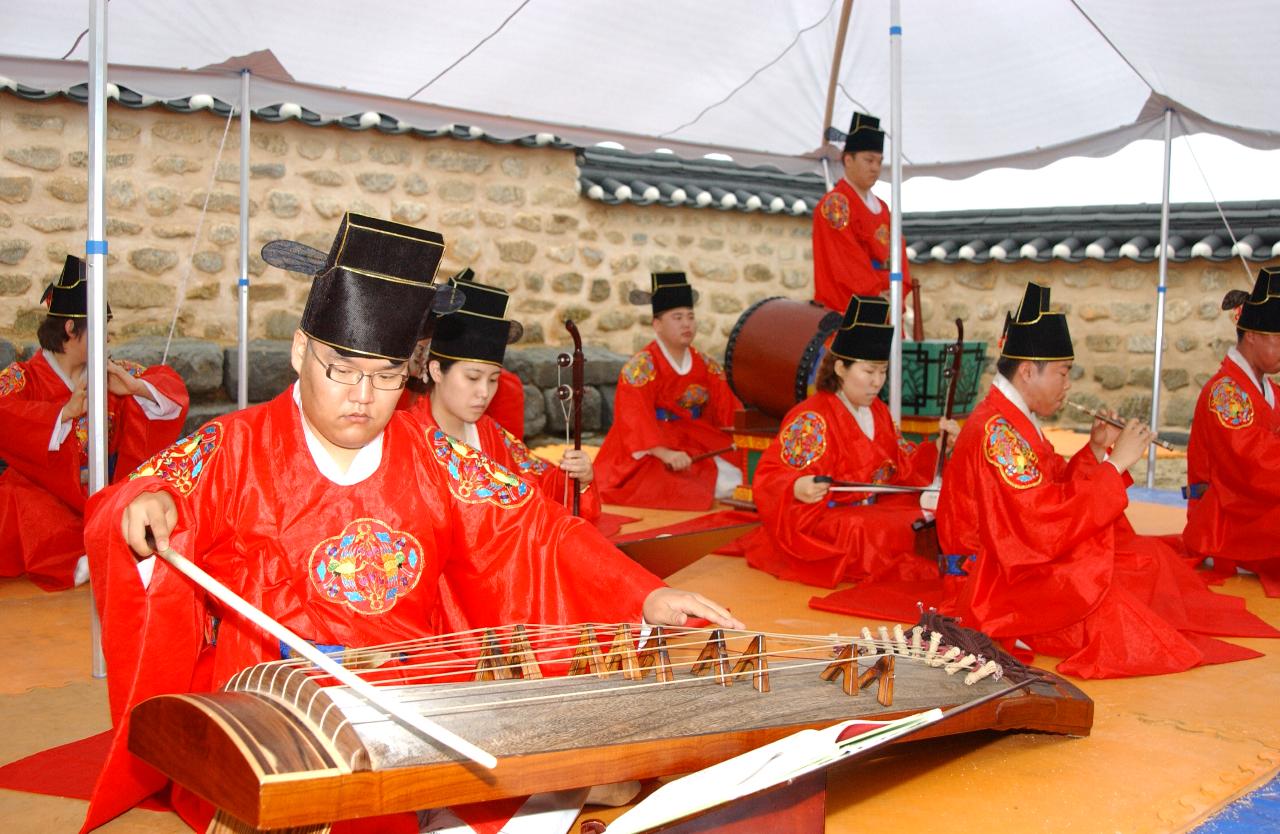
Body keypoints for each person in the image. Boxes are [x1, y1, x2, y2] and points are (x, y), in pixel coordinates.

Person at [82, 214, 741, 833]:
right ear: (299, 350)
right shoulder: (237, 447)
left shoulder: (433, 455)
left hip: (412, 687)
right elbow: (135, 497)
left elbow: (535, 532)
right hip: (277, 693)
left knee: (550, 768)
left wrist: (644, 594)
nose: (362, 398)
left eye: (386, 375)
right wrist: (145, 504)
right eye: (340, 370)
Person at [935, 281, 1278, 679]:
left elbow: (1045, 495)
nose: (1067, 385)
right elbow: (1038, 524)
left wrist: (1095, 452)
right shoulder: (997, 431)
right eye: (1063, 373)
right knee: (1118, 614)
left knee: (1147, 561)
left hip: (1020, 559)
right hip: (994, 584)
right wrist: (1115, 467)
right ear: (1028, 371)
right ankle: (1024, 630)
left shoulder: (1008, 419)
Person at [739, 295, 958, 588]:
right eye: (868, 371)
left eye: (882, 371)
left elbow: (903, 460)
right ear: (840, 368)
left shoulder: (878, 412)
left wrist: (943, 448)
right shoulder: (812, 418)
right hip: (824, 520)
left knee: (931, 514)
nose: (876, 382)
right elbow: (772, 474)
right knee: (874, 531)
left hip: (870, 509)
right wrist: (796, 486)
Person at [0, 255, 188, 590]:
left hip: (101, 492)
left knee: (146, 497)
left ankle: (104, 548)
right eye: (101, 330)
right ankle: (85, 558)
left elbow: (171, 390)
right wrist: (62, 415)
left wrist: (135, 388)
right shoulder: (24, 377)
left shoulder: (110, 373)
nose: (107, 340)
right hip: (50, 496)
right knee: (19, 499)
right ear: (71, 329)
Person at [405, 270, 601, 520]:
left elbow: (542, 486)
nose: (484, 392)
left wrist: (579, 479)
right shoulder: (407, 435)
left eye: (494, 379)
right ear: (436, 371)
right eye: (473, 378)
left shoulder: (492, 435)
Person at [594, 272, 743, 510]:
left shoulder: (706, 366)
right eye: (677, 317)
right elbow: (633, 418)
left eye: (690, 317)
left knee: (744, 473)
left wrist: (745, 432)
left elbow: (728, 410)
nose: (687, 324)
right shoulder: (642, 367)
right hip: (651, 443)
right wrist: (663, 452)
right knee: (687, 487)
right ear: (657, 324)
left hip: (695, 435)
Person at [1184, 267, 1280, 595]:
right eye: (1278, 339)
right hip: (1224, 519)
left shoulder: (1272, 393)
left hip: (1254, 508)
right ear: (1251, 335)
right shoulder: (1225, 393)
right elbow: (1255, 467)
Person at [812, 111, 915, 313]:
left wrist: (897, 291)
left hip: (887, 303)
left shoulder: (883, 208)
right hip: (851, 308)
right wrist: (875, 295)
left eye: (879, 161)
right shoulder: (835, 205)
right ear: (848, 160)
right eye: (869, 160)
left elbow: (899, 254)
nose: (876, 168)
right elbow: (845, 262)